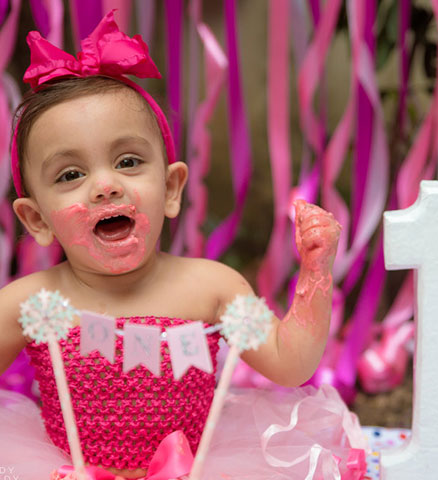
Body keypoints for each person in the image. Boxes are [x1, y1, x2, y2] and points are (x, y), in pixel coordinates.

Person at [0, 11, 366, 480]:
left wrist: (316, 271)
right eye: (71, 175)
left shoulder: (211, 288)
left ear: (171, 189)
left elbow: (290, 364)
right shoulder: (32, 302)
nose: (105, 186)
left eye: (128, 161)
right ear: (36, 219)